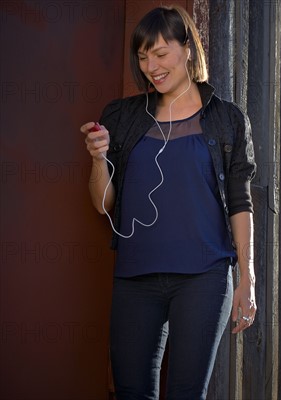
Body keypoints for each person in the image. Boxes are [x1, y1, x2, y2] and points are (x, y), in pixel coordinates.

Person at [80, 5, 256, 399]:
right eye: (143, 57)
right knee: (131, 392)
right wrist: (97, 158)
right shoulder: (122, 117)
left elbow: (239, 201)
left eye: (160, 54)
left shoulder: (225, 119)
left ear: (188, 48)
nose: (151, 67)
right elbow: (103, 204)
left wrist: (248, 276)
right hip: (135, 277)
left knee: (186, 393)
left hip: (204, 277)